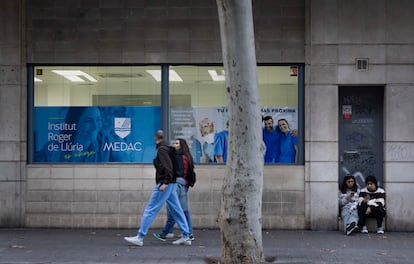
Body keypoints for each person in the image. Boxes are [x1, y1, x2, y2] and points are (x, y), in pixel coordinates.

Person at [124, 130, 191, 246]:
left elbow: (168, 167)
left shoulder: (162, 150)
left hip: (165, 184)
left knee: (151, 209)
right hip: (171, 183)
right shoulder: (167, 148)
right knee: (177, 210)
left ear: (155, 138)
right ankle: (186, 236)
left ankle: (140, 237)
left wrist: (165, 182)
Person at [153, 138, 195, 241]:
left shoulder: (178, 157)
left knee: (175, 209)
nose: (174, 145)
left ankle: (170, 232)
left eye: (176, 143)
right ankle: (176, 232)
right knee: (179, 209)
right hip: (184, 184)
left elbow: (176, 171)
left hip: (178, 183)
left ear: (181, 145)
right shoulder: (187, 157)